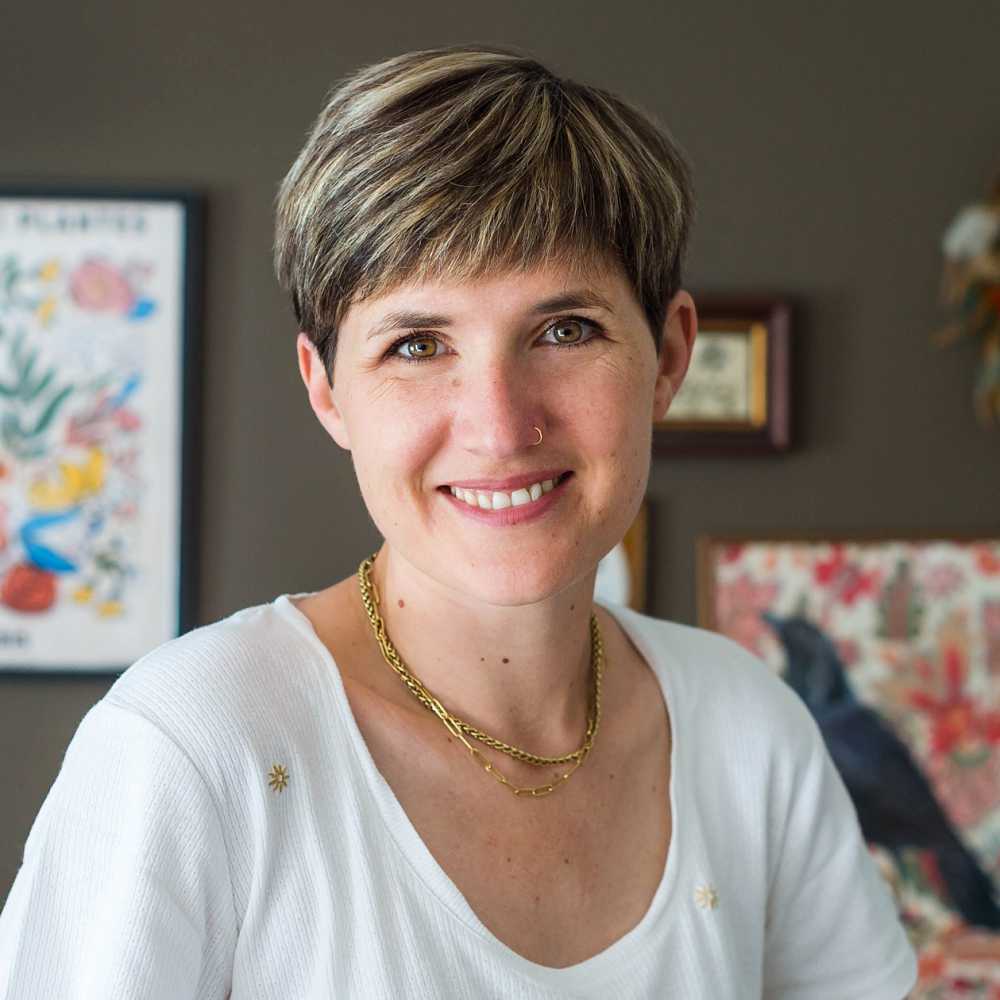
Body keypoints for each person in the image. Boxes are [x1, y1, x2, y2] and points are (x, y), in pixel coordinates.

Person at [0, 43, 918, 999]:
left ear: (670, 355)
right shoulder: (193, 744)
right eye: (417, 344)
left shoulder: (748, 728)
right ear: (327, 391)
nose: (498, 426)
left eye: (565, 330)